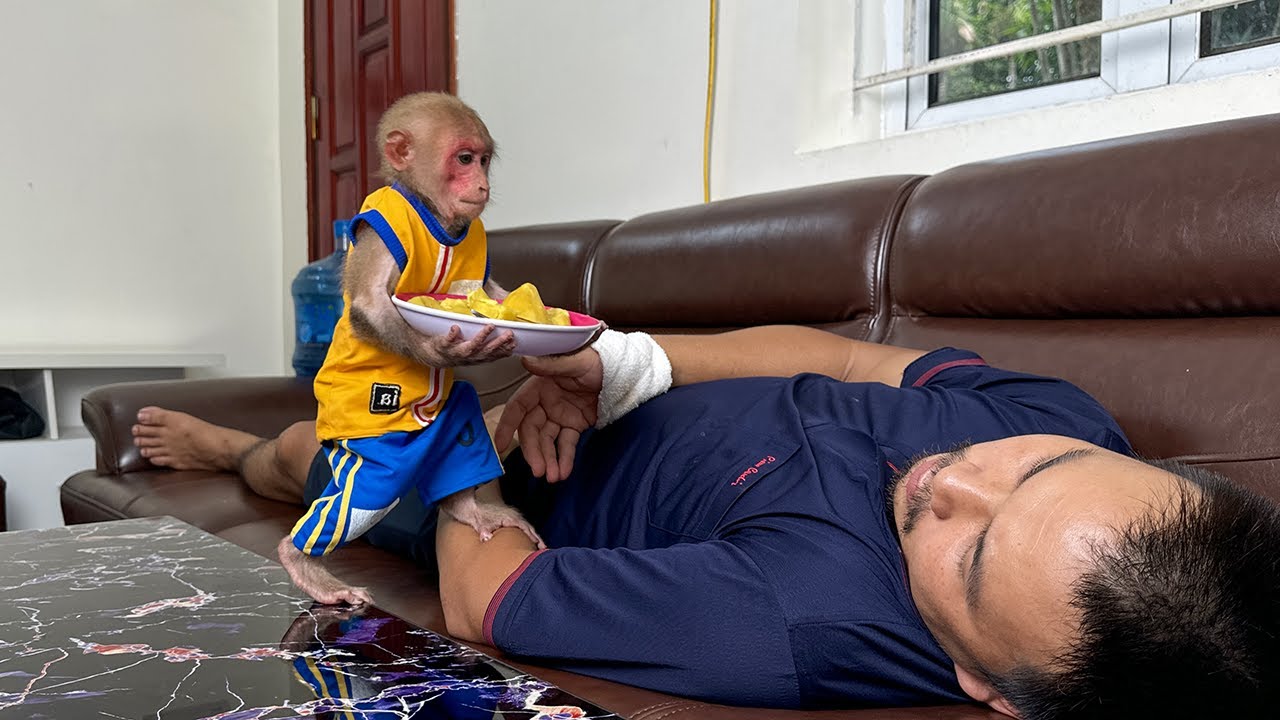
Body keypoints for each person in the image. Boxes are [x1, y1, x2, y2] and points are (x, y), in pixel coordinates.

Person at [133, 325, 1280, 718]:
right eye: (1034, 468)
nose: (947, 478)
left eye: (969, 549)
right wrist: (617, 364)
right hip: (601, 398)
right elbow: (849, 359)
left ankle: (239, 451)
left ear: (984, 684)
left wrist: (454, 448)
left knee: (312, 453)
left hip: (512, 487)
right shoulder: (1068, 421)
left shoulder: (803, 617)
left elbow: (489, 597)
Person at [280, 92, 541, 607]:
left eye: (484, 160)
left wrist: (547, 328)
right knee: (381, 482)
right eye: (463, 159)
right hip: (368, 391)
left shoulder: (468, 231)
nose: (481, 182)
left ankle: (465, 503)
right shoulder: (387, 217)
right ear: (402, 153)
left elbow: (485, 295)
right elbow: (366, 307)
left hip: (429, 392)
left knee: (461, 415)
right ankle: (301, 550)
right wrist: (428, 350)